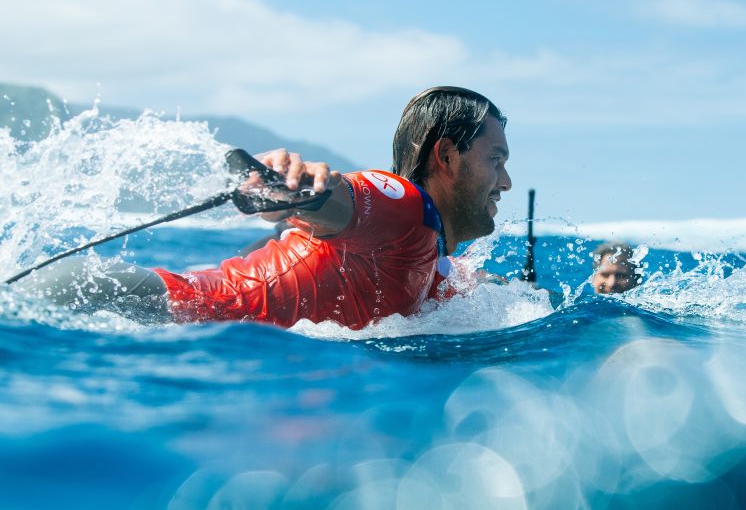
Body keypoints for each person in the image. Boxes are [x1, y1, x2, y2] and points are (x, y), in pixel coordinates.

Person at [26, 87, 512, 329]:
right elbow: (337, 198)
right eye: (496, 160)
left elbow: (457, 283)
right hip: (159, 310)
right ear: (446, 156)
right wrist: (299, 188)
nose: (505, 183)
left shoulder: (433, 261)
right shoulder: (405, 209)